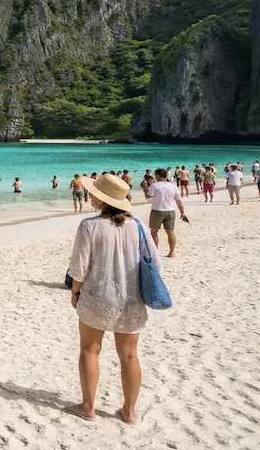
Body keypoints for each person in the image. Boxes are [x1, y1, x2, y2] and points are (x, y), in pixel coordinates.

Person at [65, 173, 160, 424]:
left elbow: (79, 268)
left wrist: (75, 293)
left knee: (89, 350)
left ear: (102, 199)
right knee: (129, 356)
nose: (91, 195)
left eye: (95, 192)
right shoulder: (138, 227)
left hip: (97, 296)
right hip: (131, 299)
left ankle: (88, 406)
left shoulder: (89, 226)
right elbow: (155, 263)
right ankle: (129, 412)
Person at [147, 169, 186, 258]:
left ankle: (155, 253)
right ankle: (171, 252)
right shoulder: (173, 186)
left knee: (154, 232)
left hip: (157, 211)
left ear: (158, 175)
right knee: (170, 232)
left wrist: (145, 189)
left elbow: (148, 196)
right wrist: (182, 212)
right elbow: (178, 200)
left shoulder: (154, 185)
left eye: (155, 175)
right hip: (170, 211)